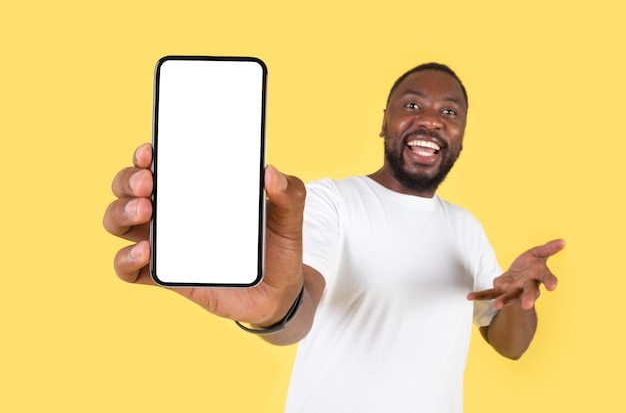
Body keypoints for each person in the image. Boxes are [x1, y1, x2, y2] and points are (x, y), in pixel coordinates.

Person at [103, 62, 565, 412]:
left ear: (461, 135)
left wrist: (514, 298)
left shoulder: (467, 227)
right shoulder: (332, 201)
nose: (431, 120)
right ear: (384, 121)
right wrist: (273, 315)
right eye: (412, 105)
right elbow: (299, 309)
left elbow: (511, 345)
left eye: (449, 111)